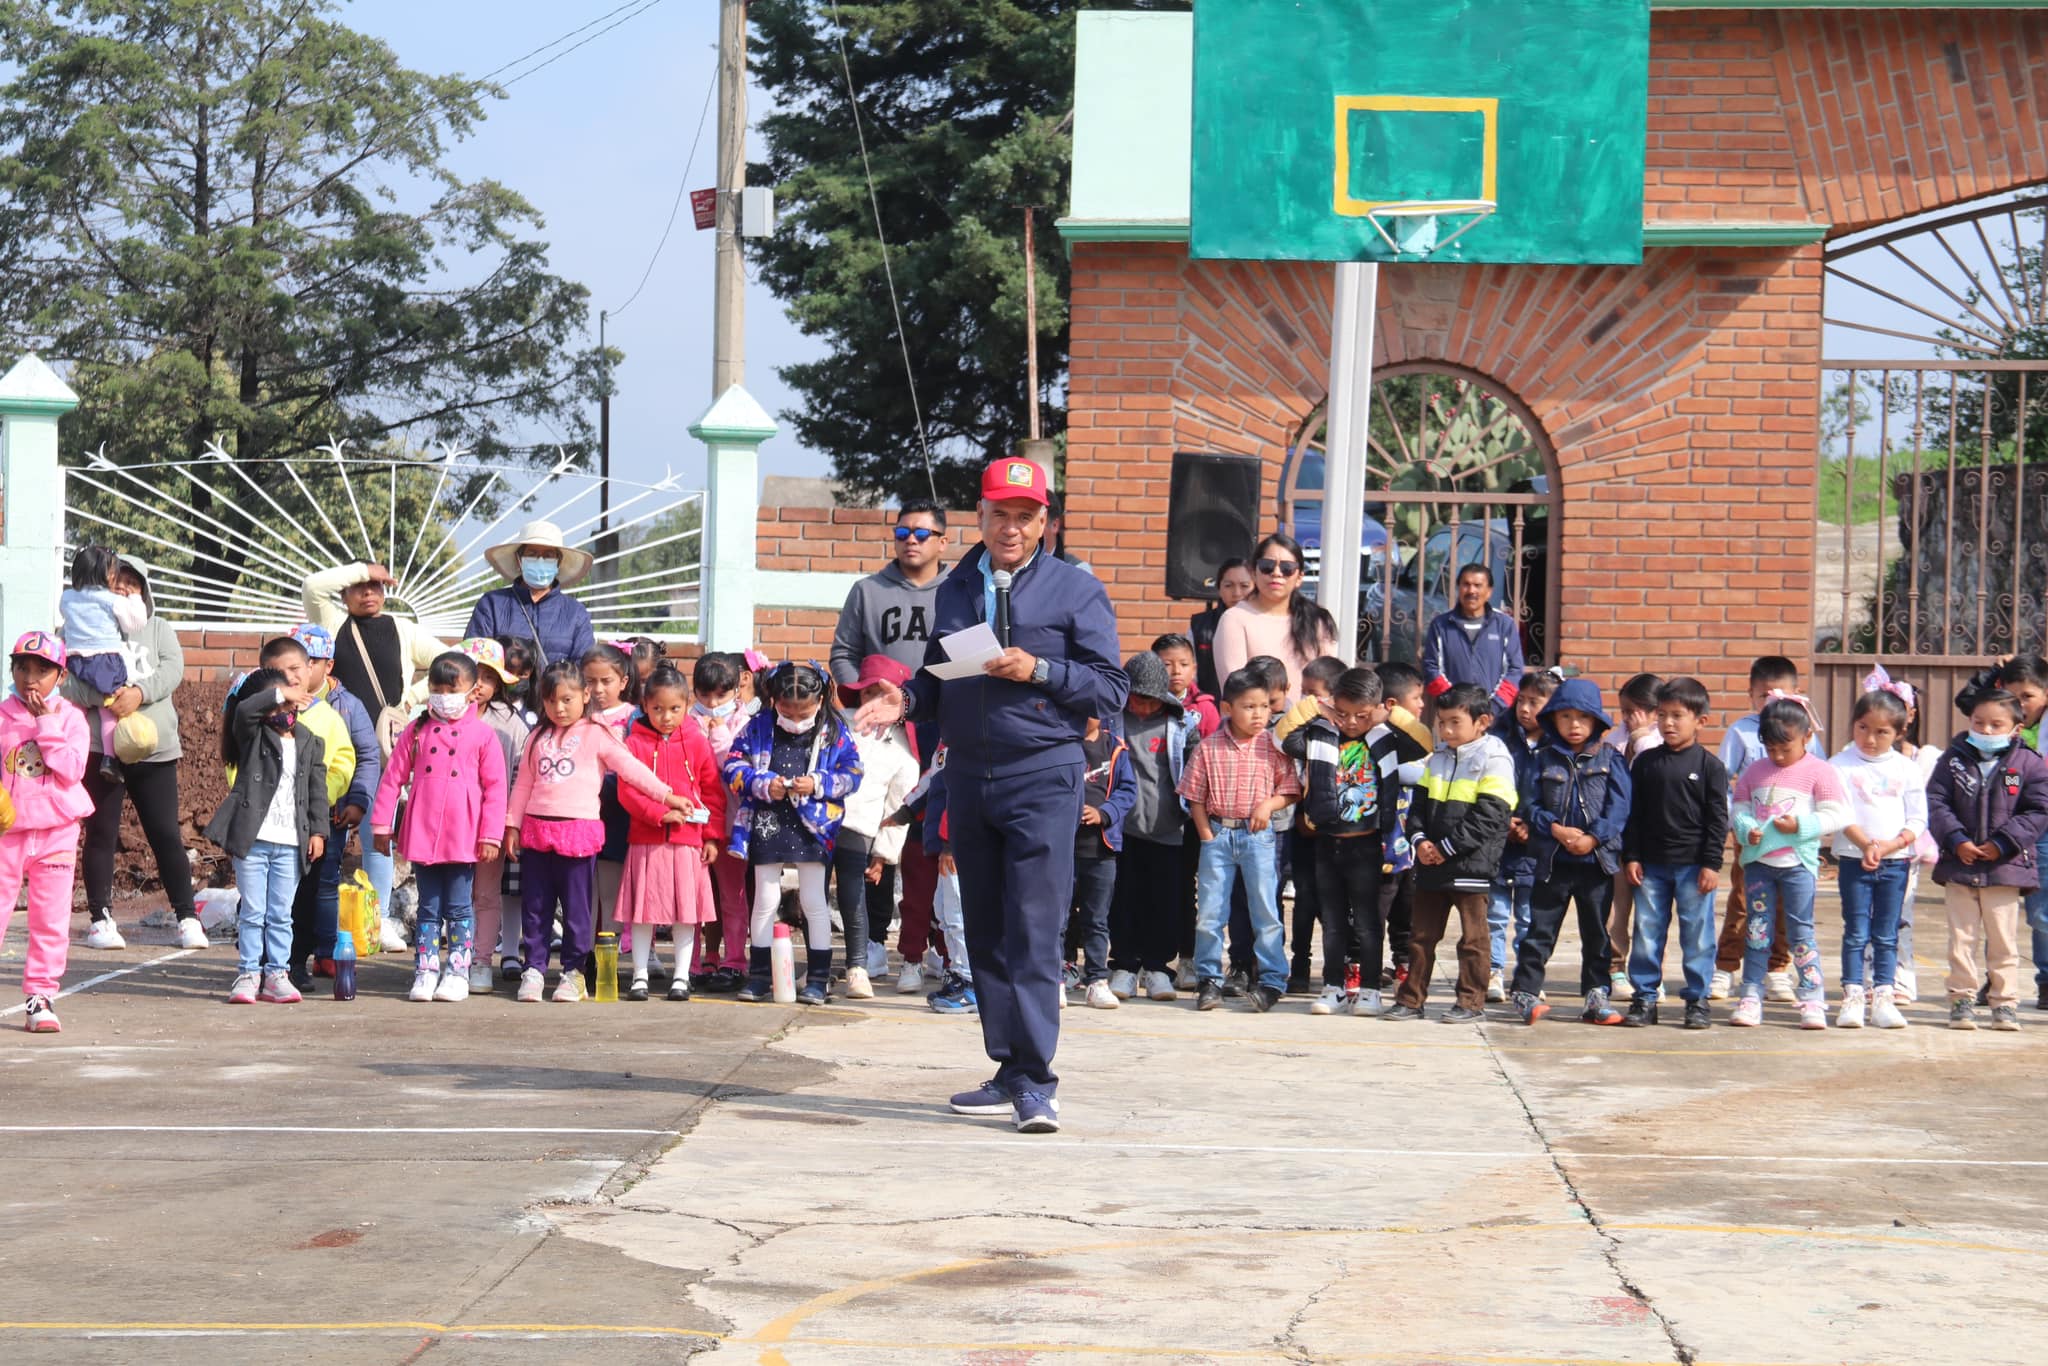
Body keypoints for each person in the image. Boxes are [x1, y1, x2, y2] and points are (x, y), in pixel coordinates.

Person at [855, 456, 1128, 1135]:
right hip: (969, 775)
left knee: (1035, 929)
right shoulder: (954, 589)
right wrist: (905, 700)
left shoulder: (1075, 591)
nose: (1010, 528)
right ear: (979, 517)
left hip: (1042, 772)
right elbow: (940, 678)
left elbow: (1111, 688)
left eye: (1024, 516)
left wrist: (1040, 668)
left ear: (1046, 523)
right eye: (998, 514)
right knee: (985, 930)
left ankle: (1039, 1081)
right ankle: (1007, 1068)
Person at [504, 660, 684, 1004]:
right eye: (551, 701)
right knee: (535, 906)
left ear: (585, 695)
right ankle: (535, 969)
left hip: (578, 833)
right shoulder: (536, 737)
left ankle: (573, 972)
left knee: (577, 909)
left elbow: (631, 769)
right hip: (537, 832)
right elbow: (523, 783)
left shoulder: (597, 735)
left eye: (567, 699)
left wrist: (666, 795)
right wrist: (512, 824)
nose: (559, 708)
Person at [301, 556, 444, 949]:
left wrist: (410, 699)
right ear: (345, 591)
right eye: (361, 585)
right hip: (331, 744)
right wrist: (366, 570)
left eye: (377, 586)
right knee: (323, 832)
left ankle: (376, 922)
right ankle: (314, 922)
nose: (369, 593)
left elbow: (448, 661)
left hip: (379, 748)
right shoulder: (332, 623)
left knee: (377, 835)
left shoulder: (403, 629)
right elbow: (313, 584)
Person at [64, 559, 205, 952]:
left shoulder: (158, 630)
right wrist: (105, 699)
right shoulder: (80, 629)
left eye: (132, 584)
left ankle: (187, 916)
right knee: (101, 834)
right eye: (117, 584)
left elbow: (172, 669)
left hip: (154, 748)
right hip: (99, 748)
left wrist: (138, 694)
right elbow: (65, 681)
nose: (124, 590)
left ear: (145, 591)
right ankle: (100, 920)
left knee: (164, 834)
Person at [722, 662, 864, 1006]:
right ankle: (759, 976)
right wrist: (760, 783)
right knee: (765, 901)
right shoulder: (757, 727)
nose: (796, 718)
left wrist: (818, 783)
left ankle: (817, 978)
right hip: (768, 820)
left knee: (814, 902)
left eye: (805, 712)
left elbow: (854, 772)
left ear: (820, 700)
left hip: (814, 825)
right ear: (773, 701)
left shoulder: (834, 731)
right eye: (787, 710)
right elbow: (732, 765)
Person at [369, 652, 507, 1003]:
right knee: (427, 907)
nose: (443, 695)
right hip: (422, 831)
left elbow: (496, 789)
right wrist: (382, 825)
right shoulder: (416, 730)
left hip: (463, 833)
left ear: (473, 690)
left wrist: (491, 835)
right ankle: (426, 969)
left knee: (460, 907)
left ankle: (458, 971)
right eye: (436, 687)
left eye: (451, 687)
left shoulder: (483, 735)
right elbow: (391, 780)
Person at [1385, 683, 1514, 1024]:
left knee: (1473, 940)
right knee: (1420, 937)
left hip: (1471, 866)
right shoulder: (1437, 758)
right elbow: (1417, 809)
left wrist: (1445, 848)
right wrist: (1419, 841)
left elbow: (1491, 815)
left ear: (1482, 721)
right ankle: (1411, 1000)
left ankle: (1471, 1003)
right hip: (1431, 865)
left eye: (1455, 722)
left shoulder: (1495, 758)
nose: (1446, 730)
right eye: (1441, 722)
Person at [1927, 687, 2048, 1032]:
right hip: (1959, 866)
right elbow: (1936, 802)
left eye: (1996, 724)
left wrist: (2003, 843)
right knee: (1961, 938)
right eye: (1979, 722)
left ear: (2016, 727)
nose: (1987, 730)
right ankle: (1962, 999)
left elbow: (2039, 810)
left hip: (2005, 868)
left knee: (2003, 940)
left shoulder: (2028, 763)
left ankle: (2004, 1003)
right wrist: (1956, 840)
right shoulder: (1952, 759)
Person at [1513, 679, 1633, 1027]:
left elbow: (1620, 809)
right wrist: (1555, 829)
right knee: (1540, 931)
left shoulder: (1611, 759)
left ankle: (1597, 996)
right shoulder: (1542, 759)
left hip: (1596, 863)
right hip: (1552, 862)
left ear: (1597, 721)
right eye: (1565, 717)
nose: (1574, 725)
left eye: (1582, 717)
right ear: (1553, 719)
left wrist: (1593, 838)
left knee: (1597, 933)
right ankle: (1525, 993)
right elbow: (1530, 804)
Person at [1181, 666, 1301, 1013]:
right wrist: (1206, 833)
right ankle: (1209, 981)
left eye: (1264, 706)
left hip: (1257, 837)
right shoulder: (1207, 748)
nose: (1259, 714)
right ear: (1227, 708)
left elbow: (1291, 789)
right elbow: (1195, 796)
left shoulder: (1273, 746)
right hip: (1218, 836)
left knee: (1265, 910)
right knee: (1211, 912)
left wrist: (1269, 804)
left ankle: (1271, 981)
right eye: (1249, 706)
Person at [1728, 695, 1852, 1029]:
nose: (1779, 756)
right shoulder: (1755, 770)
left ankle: (1812, 996)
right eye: (1771, 749)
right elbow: (1738, 808)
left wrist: (1801, 826)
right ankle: (1750, 994)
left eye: (1787, 748)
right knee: (1757, 929)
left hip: (1798, 865)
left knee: (1800, 931)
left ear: (1807, 737)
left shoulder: (1820, 771)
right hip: (1758, 864)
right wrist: (1746, 829)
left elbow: (1837, 814)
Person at [208, 668, 327, 1008]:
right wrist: (279, 695)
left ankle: (277, 973)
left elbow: (317, 791)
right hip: (254, 840)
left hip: (291, 843)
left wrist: (318, 831)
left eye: (290, 703)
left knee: (281, 913)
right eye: (277, 705)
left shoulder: (308, 741)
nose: (284, 712)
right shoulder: (254, 736)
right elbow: (246, 711)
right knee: (253, 911)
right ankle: (248, 973)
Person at [1621, 677, 1729, 1030]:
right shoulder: (1647, 763)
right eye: (1662, 715)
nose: (1668, 723)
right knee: (1647, 932)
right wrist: (1632, 856)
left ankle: (1697, 1000)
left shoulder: (1711, 767)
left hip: (1693, 868)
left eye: (1677, 715)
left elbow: (1717, 820)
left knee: (1697, 935)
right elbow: (1634, 814)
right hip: (1651, 865)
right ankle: (1645, 998)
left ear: (1701, 720)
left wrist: (1712, 864)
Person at [1710, 656, 1819, 1002]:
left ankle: (1777, 970)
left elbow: (1818, 781)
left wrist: (1807, 826)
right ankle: (1727, 967)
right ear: (1750, 696)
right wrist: (1737, 823)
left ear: (1797, 694)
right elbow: (1723, 781)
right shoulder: (1741, 731)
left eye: (1781, 695)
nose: (1771, 703)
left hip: (1792, 839)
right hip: (1753, 837)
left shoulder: (1806, 732)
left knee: (1789, 906)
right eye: (1762, 696)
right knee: (1744, 903)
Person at [255, 635, 360, 988]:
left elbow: (343, 762)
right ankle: (257, 965)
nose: (290, 676)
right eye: (279, 670)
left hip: (310, 826)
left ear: (311, 668)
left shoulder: (326, 718)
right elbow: (236, 759)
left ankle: (294, 963)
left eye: (296, 668)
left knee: (305, 898)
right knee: (261, 900)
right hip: (264, 823)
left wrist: (320, 798)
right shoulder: (255, 713)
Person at [618, 666, 728, 1002]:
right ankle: (639, 975)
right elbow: (627, 789)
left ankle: (681, 976)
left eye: (675, 709)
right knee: (641, 912)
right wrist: (657, 813)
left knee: (686, 912)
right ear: (645, 705)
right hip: (646, 839)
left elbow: (712, 792)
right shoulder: (634, 742)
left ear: (687, 705)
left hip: (687, 841)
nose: (666, 717)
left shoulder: (697, 743)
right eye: (657, 709)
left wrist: (711, 836)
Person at [1, 632, 91, 1034]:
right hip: (7, 831)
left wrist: (46, 724)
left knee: (50, 919)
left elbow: (71, 770)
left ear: (61, 676)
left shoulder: (71, 719)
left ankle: (40, 996)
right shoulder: (2, 715)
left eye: (42, 670)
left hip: (56, 832)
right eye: (22, 667)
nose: (31, 678)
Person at [1292, 666, 1392, 1017]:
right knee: (1332, 921)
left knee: (1367, 923)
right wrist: (1318, 708)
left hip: (1365, 846)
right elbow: (1282, 735)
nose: (1351, 723)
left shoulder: (1383, 738)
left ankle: (1370, 989)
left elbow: (1422, 739)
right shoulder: (1322, 736)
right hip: (1327, 843)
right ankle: (1333, 987)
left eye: (1361, 715)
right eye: (1343, 713)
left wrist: (1389, 716)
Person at [1828, 687, 1926, 1030]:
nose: (1870, 738)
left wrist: (1889, 846)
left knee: (1886, 933)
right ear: (1853, 725)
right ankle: (1854, 995)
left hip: (1896, 862)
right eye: (1863, 728)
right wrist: (1866, 845)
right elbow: (1836, 811)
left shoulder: (1907, 769)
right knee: (1856, 931)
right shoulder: (1838, 765)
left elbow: (1918, 818)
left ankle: (1884, 995)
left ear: (1900, 732)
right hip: (1854, 859)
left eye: (1882, 732)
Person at [287, 623, 381, 982]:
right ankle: (283, 953)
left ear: (328, 666)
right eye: (295, 660)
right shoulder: (275, 697)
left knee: (326, 881)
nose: (301, 669)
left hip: (331, 813)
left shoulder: (348, 706)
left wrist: (357, 799)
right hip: (284, 812)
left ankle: (325, 952)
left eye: (310, 661)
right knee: (287, 884)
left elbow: (367, 755)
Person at [1107, 653, 1199, 1003]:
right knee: (1123, 899)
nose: (1142, 708)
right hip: (1123, 829)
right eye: (1136, 700)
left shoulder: (1181, 726)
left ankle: (1159, 967)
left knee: (1165, 901)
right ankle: (1125, 966)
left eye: (1150, 701)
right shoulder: (1115, 722)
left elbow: (1192, 773)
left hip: (1168, 829)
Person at [835, 656, 920, 1000]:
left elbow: (898, 805)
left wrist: (884, 854)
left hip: (865, 830)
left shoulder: (902, 749)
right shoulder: (839, 724)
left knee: (861, 898)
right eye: (868, 692)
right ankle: (819, 963)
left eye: (883, 695)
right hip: (822, 822)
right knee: (817, 897)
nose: (873, 701)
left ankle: (865, 958)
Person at [462, 638, 530, 987]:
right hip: (452, 824)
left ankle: (481, 961)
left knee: (487, 895)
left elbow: (521, 773)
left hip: (491, 823)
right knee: (455, 894)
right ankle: (454, 958)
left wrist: (510, 821)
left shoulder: (511, 723)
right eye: (472, 674)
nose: (478, 684)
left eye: (487, 677)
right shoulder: (438, 715)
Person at [1488, 669, 1558, 1003]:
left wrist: (1532, 825)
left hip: (1537, 845)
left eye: (1535, 702)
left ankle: (1526, 977)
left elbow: (1558, 796)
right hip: (1499, 841)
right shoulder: (1500, 737)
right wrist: (1505, 821)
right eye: (1522, 700)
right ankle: (1492, 972)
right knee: (1496, 913)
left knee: (1529, 917)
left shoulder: (1557, 747)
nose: (1525, 708)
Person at [688, 653, 752, 993]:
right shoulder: (685, 721)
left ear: (736, 690)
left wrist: (720, 739)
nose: (712, 703)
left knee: (732, 895)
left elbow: (737, 769)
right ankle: (696, 960)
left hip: (731, 825)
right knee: (696, 897)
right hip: (692, 827)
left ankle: (735, 959)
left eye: (720, 696)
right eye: (704, 695)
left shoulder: (746, 724)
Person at [1212, 534, 1334, 710]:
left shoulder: (1317, 620)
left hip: (1309, 726)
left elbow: (1329, 683)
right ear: (1254, 572)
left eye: (1287, 568)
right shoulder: (1234, 619)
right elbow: (1236, 689)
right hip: (1253, 728)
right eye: (1267, 566)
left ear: (1299, 577)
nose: (1276, 573)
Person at [831, 501, 949, 683]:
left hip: (945, 709)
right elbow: (844, 654)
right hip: (882, 707)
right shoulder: (866, 590)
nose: (911, 540)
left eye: (921, 534)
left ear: (942, 543)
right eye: (902, 533)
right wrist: (864, 697)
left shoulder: (959, 590)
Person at [1371, 661, 1435, 990]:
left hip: (1412, 847)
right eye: (1417, 697)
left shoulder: (1419, 740)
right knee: (1378, 906)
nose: (1423, 704)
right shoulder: (1377, 739)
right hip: (1383, 846)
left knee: (1407, 908)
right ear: (1393, 706)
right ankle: (1365, 964)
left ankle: (1403, 962)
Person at [58, 546, 147, 780]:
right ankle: (110, 758)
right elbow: (135, 624)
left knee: (76, 707)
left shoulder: (67, 597)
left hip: (75, 659)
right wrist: (136, 597)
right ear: (108, 575)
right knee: (109, 710)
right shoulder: (110, 600)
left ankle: (70, 751)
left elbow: (67, 619)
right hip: (105, 662)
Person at [463, 520, 597, 672]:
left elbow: (584, 666)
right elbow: (472, 660)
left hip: (555, 695)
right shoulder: (492, 605)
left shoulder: (575, 613)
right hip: (503, 695)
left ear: (558, 563)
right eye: (532, 554)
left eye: (548, 555)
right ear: (519, 560)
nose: (540, 561)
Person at [1604, 671, 1663, 999]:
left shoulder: (1656, 741)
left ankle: (1650, 972)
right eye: (1625, 712)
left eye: (1636, 712)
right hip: (1619, 839)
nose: (1629, 719)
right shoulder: (1616, 739)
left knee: (1652, 911)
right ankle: (1615, 968)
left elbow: (1653, 775)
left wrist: (1641, 737)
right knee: (1617, 908)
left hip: (1650, 839)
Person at [1070, 713, 1136, 1010]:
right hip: (1062, 848)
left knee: (1096, 919)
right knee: (1058, 916)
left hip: (1101, 848)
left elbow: (1127, 790)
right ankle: (1059, 975)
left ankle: (1096, 979)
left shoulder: (1115, 748)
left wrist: (1104, 813)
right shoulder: (1060, 743)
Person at [583, 643, 639, 973]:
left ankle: (605, 959)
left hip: (617, 813)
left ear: (623, 680)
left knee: (610, 889)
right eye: (590, 681)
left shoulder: (634, 718)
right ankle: (583, 954)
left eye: (606, 680)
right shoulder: (576, 714)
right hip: (579, 812)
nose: (598, 689)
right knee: (583, 890)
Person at [1420, 563, 1524, 714]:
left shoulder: (1504, 625)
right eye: (1466, 585)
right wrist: (1455, 705)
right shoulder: (1441, 625)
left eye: (1478, 585)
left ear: (1489, 591)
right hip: (1455, 716)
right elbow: (1431, 668)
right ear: (1458, 588)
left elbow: (1515, 669)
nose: (1471, 591)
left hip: (1496, 717)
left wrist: (1493, 708)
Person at [1190, 557, 1254, 702]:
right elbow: (1191, 677)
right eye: (1228, 585)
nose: (1236, 593)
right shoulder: (1200, 625)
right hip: (1210, 710)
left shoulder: (1265, 622)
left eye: (1244, 586)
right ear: (1219, 588)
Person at [1152, 632, 1220, 737]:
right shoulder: (1145, 704)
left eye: (1184, 664)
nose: (1176, 671)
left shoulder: (1205, 708)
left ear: (1193, 670)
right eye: (1167, 664)